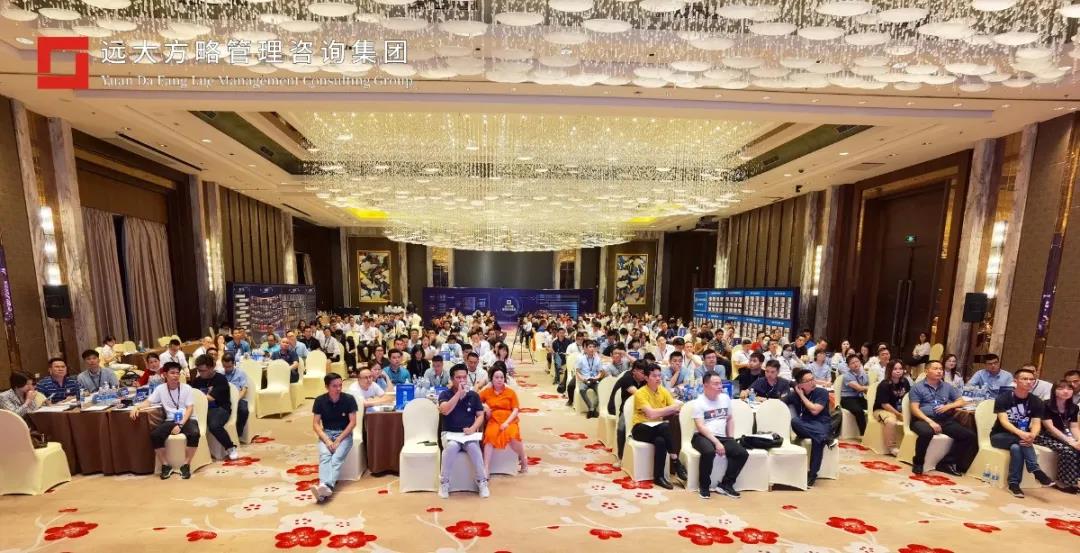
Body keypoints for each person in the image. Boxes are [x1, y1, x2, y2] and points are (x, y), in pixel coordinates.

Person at [991, 367, 1054, 498]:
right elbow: (1004, 422)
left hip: (1022, 438)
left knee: (1017, 448)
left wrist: (1033, 435)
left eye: (1031, 379)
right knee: (1019, 441)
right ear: (1016, 381)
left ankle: (1014, 484)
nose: (1029, 382)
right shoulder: (1003, 398)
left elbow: (1036, 423)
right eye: (1025, 379)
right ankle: (1035, 470)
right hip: (1000, 436)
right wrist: (1021, 434)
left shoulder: (1036, 401)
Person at [131, 362, 199, 479]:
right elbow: (149, 401)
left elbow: (190, 408)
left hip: (187, 419)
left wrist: (180, 425)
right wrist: (136, 407)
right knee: (155, 435)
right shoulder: (160, 389)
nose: (175, 376)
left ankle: (186, 464)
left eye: (177, 373)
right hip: (171, 419)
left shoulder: (186, 388)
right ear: (165, 375)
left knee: (194, 433)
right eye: (172, 373)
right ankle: (166, 465)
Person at [908, 360, 976, 476]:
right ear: (926, 371)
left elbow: (961, 401)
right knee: (926, 433)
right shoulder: (917, 387)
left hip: (944, 419)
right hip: (923, 419)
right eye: (935, 369)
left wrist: (949, 406)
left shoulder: (947, 386)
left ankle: (946, 463)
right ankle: (918, 462)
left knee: (969, 435)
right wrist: (930, 421)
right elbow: (914, 409)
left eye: (940, 369)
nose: (939, 371)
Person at [690, 370, 748, 499]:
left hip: (722, 437)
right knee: (708, 452)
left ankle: (726, 485)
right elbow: (700, 426)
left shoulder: (725, 398)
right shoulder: (699, 402)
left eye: (720, 383)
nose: (720, 386)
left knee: (742, 453)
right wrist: (716, 443)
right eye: (716, 384)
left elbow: (730, 419)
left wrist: (731, 438)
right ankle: (704, 486)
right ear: (705, 385)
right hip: (701, 436)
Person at [631, 364, 687, 489]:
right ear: (646, 378)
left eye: (659, 376)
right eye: (654, 376)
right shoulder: (640, 393)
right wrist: (670, 409)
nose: (658, 378)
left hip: (657, 428)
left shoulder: (663, 391)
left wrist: (668, 409)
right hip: (640, 428)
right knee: (665, 427)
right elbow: (651, 414)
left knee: (660, 441)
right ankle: (675, 460)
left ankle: (658, 477)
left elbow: (676, 408)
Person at [438, 364, 490, 499]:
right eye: (458, 378)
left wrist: (473, 428)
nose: (462, 380)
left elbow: (480, 415)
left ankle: (482, 481)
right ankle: (444, 482)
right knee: (451, 447)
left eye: (464, 377)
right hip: (450, 434)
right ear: (452, 379)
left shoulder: (473, 395)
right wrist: (458, 395)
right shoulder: (445, 394)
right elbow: (445, 410)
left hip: (468, 434)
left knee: (474, 448)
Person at [311, 372, 358, 503]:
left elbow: (353, 423)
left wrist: (338, 439)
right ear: (327, 387)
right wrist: (326, 440)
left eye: (340, 385)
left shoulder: (349, 399)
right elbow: (315, 424)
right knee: (325, 456)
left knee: (336, 458)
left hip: (344, 435)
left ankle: (324, 485)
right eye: (334, 386)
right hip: (326, 434)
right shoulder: (320, 401)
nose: (338, 388)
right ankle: (326, 488)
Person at [786, 368, 833, 487]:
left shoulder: (821, 392)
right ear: (800, 385)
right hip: (804, 426)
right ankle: (824, 437)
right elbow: (779, 401)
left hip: (821, 424)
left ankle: (812, 474)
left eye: (813, 379)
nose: (813, 382)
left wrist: (802, 396)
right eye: (808, 381)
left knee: (818, 440)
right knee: (795, 421)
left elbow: (815, 410)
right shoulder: (794, 395)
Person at [479, 363, 528, 475]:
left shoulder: (510, 392)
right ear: (492, 379)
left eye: (501, 377)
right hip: (494, 420)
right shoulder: (487, 391)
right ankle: (486, 468)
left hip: (509, 420)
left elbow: (516, 409)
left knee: (513, 435)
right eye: (496, 377)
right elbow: (475, 400)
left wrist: (506, 423)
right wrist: (484, 406)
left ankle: (523, 459)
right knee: (489, 436)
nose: (499, 380)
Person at [189, 354, 238, 460]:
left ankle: (230, 447)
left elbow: (210, 398)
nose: (200, 373)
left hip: (220, 408)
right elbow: (191, 395)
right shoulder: (197, 381)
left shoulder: (220, 379)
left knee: (214, 425)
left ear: (212, 367)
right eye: (198, 370)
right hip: (201, 410)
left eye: (203, 370)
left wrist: (199, 396)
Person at [1036, 380, 1080, 494]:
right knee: (1068, 451)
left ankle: (1075, 480)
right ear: (1054, 391)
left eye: (1069, 389)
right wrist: (1070, 442)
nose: (1066, 391)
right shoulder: (1045, 405)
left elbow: (1074, 427)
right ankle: (1063, 482)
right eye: (1061, 388)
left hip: (1064, 435)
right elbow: (1050, 428)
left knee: (1077, 448)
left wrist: (1078, 440)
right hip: (1044, 435)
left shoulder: (1074, 407)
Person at [610, 360, 648, 460]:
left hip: (641, 409)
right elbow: (638, 394)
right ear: (634, 371)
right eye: (642, 373)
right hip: (625, 410)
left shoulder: (645, 380)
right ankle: (620, 456)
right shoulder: (627, 378)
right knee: (622, 427)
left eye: (646, 373)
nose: (644, 375)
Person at [873, 360, 911, 456]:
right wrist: (898, 414)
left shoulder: (905, 382)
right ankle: (891, 448)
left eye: (900, 369)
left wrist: (905, 412)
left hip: (900, 410)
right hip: (882, 410)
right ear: (889, 370)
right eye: (895, 369)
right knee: (891, 421)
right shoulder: (884, 384)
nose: (898, 371)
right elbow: (884, 404)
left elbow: (907, 398)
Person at [840, 354, 870, 435]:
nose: (855, 364)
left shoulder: (864, 374)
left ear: (860, 362)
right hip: (847, 399)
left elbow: (867, 390)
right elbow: (859, 388)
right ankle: (863, 435)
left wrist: (868, 389)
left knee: (874, 406)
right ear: (848, 366)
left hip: (859, 398)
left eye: (857, 361)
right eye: (852, 363)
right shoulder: (847, 376)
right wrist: (868, 388)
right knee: (859, 411)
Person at [575, 339, 606, 418]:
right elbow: (577, 371)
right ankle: (591, 408)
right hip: (585, 380)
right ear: (585, 349)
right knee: (581, 389)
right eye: (590, 347)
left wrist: (596, 377)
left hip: (594, 380)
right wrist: (583, 379)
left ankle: (592, 409)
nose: (592, 349)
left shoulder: (597, 359)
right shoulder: (581, 359)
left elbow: (600, 372)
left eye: (593, 347)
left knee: (601, 391)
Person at [220, 353, 249, 439]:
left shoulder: (240, 373)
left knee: (244, 410)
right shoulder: (220, 374)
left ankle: (238, 433)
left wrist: (236, 399)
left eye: (229, 366)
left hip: (238, 398)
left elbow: (244, 389)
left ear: (234, 364)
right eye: (225, 366)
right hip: (224, 399)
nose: (227, 369)